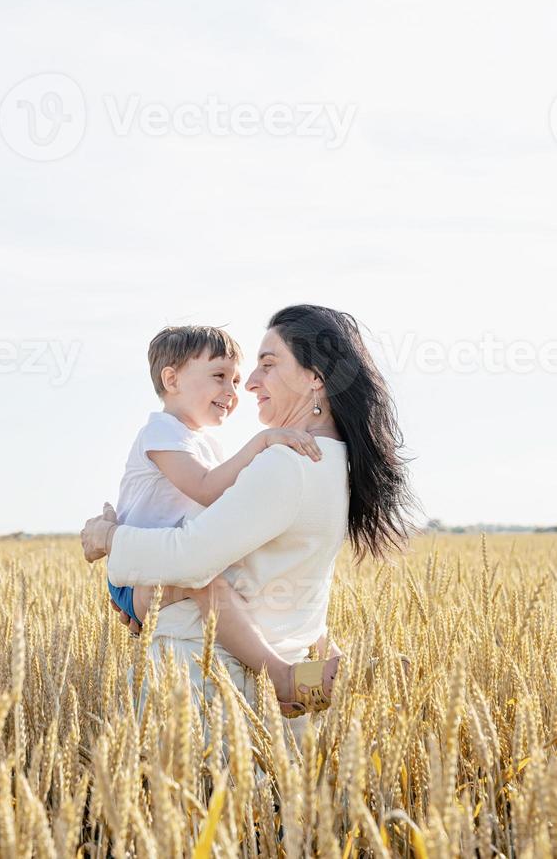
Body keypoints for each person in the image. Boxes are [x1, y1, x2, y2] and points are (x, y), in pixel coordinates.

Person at [82, 304, 417, 717]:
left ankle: (282, 677)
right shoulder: (334, 463)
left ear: (316, 378)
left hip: (207, 682)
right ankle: (287, 676)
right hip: (257, 681)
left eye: (267, 365)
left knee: (204, 584)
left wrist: (109, 539)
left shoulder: (286, 461)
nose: (249, 384)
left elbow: (191, 558)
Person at [105, 324, 330, 715]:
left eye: (237, 379)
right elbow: (209, 489)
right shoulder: (160, 433)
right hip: (139, 576)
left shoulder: (204, 442)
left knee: (237, 585)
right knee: (209, 585)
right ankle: (279, 676)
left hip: (163, 562)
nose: (233, 391)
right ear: (171, 379)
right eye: (219, 376)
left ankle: (320, 652)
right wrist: (262, 442)